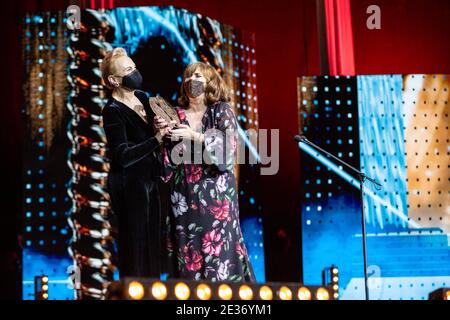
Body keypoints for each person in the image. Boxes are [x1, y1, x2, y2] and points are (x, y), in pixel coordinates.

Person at [154, 62, 255, 282]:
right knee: (187, 258)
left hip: (216, 200)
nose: (192, 81)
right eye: (188, 77)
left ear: (210, 81)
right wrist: (160, 136)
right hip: (184, 198)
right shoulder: (176, 115)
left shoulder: (221, 110)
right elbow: (165, 169)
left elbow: (227, 156)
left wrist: (196, 136)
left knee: (220, 260)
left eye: (197, 76)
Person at [100, 48, 167, 277]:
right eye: (128, 70)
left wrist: (158, 127)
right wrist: (155, 139)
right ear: (113, 80)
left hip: (150, 180)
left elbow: (150, 135)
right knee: (135, 246)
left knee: (153, 243)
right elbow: (123, 155)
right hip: (129, 185)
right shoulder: (112, 111)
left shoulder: (142, 97)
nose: (134, 73)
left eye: (134, 67)